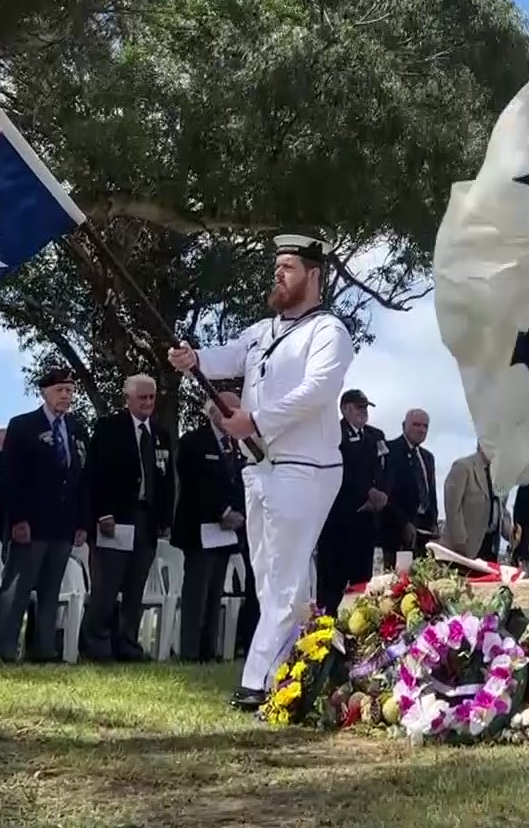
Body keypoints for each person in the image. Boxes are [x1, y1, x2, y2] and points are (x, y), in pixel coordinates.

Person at [169, 233, 355, 710]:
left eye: (289, 267)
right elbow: (225, 356)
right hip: (262, 467)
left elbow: (317, 391)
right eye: (278, 266)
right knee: (268, 576)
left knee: (285, 574)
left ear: (314, 276)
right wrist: (193, 359)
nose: (279, 274)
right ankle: (309, 665)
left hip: (305, 466)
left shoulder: (328, 332)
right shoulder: (261, 331)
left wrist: (257, 419)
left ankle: (260, 681)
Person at [0, 364, 89, 663]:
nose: (65, 396)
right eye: (60, 390)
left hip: (64, 522)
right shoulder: (23, 426)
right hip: (32, 521)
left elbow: (83, 477)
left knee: (51, 589)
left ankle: (43, 649)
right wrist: (18, 518)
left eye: (70, 391)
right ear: (44, 393)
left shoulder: (76, 428)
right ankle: (6, 648)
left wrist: (82, 521)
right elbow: (11, 476)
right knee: (19, 587)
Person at [83, 373, 174, 662]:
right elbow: (95, 474)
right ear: (128, 399)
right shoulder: (109, 428)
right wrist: (102, 513)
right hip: (116, 517)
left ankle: (127, 643)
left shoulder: (160, 432)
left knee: (136, 587)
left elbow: (167, 478)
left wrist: (164, 518)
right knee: (107, 586)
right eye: (142, 398)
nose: (148, 403)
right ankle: (97, 643)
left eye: (151, 397)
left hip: (147, 520)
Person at [172, 391, 248, 661]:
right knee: (197, 593)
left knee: (216, 591)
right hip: (200, 528)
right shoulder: (193, 441)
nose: (233, 414)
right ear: (212, 411)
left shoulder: (239, 443)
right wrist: (222, 512)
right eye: (229, 409)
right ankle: (190, 651)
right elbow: (193, 484)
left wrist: (239, 514)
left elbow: (242, 481)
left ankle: (209, 650)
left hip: (228, 533)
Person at [316, 388, 387, 614]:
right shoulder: (332, 434)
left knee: (362, 583)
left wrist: (383, 493)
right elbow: (338, 470)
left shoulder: (376, 436)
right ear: (345, 408)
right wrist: (366, 492)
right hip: (339, 521)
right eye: (359, 407)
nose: (364, 411)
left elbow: (387, 469)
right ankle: (325, 633)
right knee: (332, 585)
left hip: (366, 523)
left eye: (366, 407)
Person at [442, 441, 513, 563]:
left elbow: (500, 510)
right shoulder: (463, 467)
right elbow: (452, 509)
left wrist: (511, 533)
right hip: (463, 550)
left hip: (490, 548)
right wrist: (460, 542)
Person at [381, 409, 439, 558]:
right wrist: (404, 522)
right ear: (404, 425)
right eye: (416, 425)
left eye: (425, 426)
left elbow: (431, 492)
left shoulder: (427, 457)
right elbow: (387, 493)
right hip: (397, 531)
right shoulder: (390, 451)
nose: (421, 430)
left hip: (424, 532)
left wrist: (434, 521)